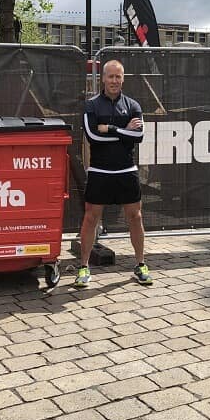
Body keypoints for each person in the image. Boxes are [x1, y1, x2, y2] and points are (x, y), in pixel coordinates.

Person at [74, 59, 152, 288]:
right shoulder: (91, 106)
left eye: (118, 77)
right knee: (91, 218)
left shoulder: (133, 105)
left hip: (127, 170)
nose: (114, 81)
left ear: (123, 79)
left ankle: (140, 265)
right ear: (103, 79)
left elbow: (138, 137)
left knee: (136, 217)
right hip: (99, 171)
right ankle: (84, 267)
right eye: (111, 76)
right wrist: (124, 132)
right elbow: (93, 136)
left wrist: (111, 129)